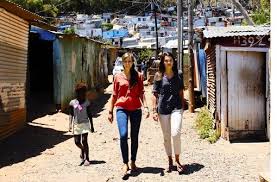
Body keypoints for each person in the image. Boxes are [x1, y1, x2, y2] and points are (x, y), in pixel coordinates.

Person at [108, 52, 150, 178]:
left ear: (133, 62)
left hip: (136, 109)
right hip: (121, 108)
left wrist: (146, 107)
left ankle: (133, 161)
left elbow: (142, 93)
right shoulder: (117, 77)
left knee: (134, 136)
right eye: (125, 61)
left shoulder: (139, 76)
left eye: (130, 61)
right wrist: (110, 111)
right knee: (123, 135)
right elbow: (114, 95)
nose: (127, 63)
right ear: (122, 62)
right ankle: (125, 163)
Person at [152, 52, 186, 174]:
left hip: (176, 107)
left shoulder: (179, 74)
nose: (168, 62)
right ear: (163, 62)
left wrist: (182, 107)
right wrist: (154, 111)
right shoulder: (158, 75)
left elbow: (181, 91)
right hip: (163, 109)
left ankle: (177, 160)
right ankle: (170, 161)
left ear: (173, 61)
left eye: (170, 60)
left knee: (175, 133)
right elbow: (155, 94)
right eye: (166, 60)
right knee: (166, 137)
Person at [69, 83, 94, 166]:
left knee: (84, 140)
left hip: (85, 123)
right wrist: (69, 124)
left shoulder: (87, 102)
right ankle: (82, 150)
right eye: (80, 93)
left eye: (83, 93)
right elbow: (71, 114)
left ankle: (87, 158)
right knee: (77, 142)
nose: (82, 95)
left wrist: (92, 126)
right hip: (76, 124)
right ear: (77, 93)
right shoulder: (73, 103)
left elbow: (90, 114)